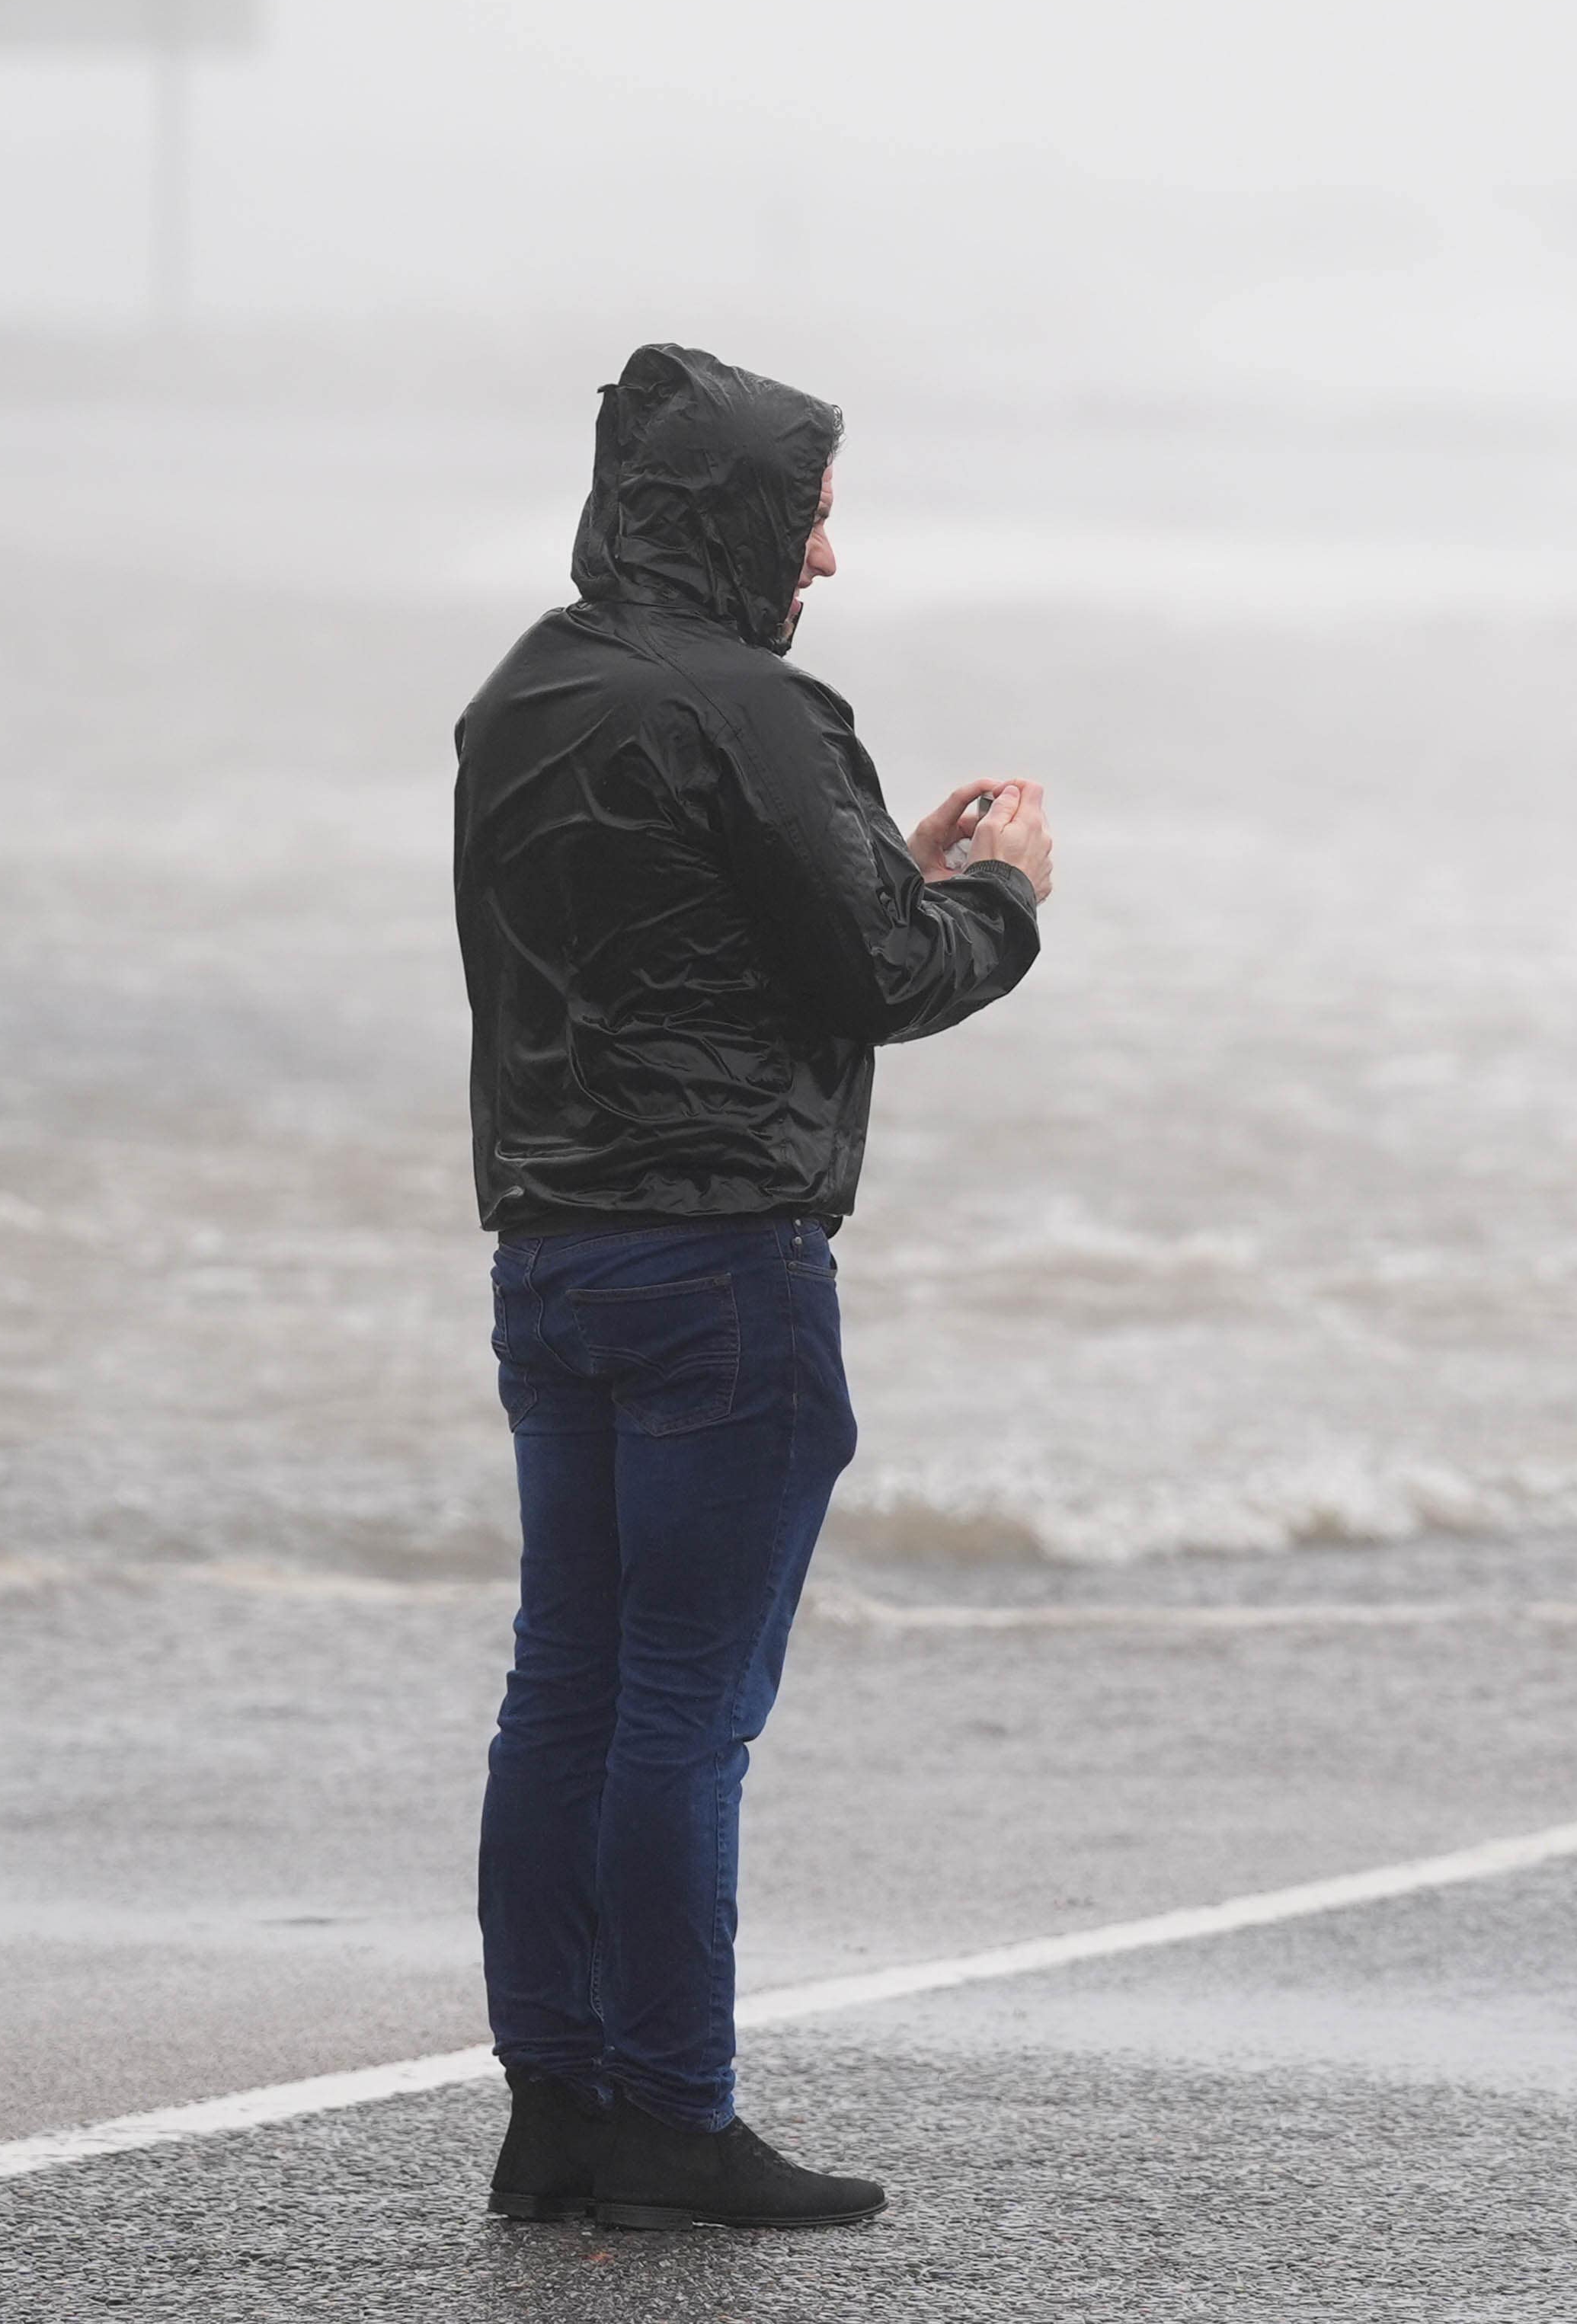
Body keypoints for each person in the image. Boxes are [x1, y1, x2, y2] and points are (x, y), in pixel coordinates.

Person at [451, 342, 1051, 2231]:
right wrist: (1008, 896)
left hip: (548, 1255)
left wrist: (898, 859)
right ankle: (680, 2120)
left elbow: (695, 933)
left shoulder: (522, 700)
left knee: (567, 1690)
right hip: (722, 1268)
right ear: (737, 521)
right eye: (811, 520)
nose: (827, 562)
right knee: (684, 1707)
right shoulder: (759, 713)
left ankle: (556, 2112)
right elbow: (883, 975)